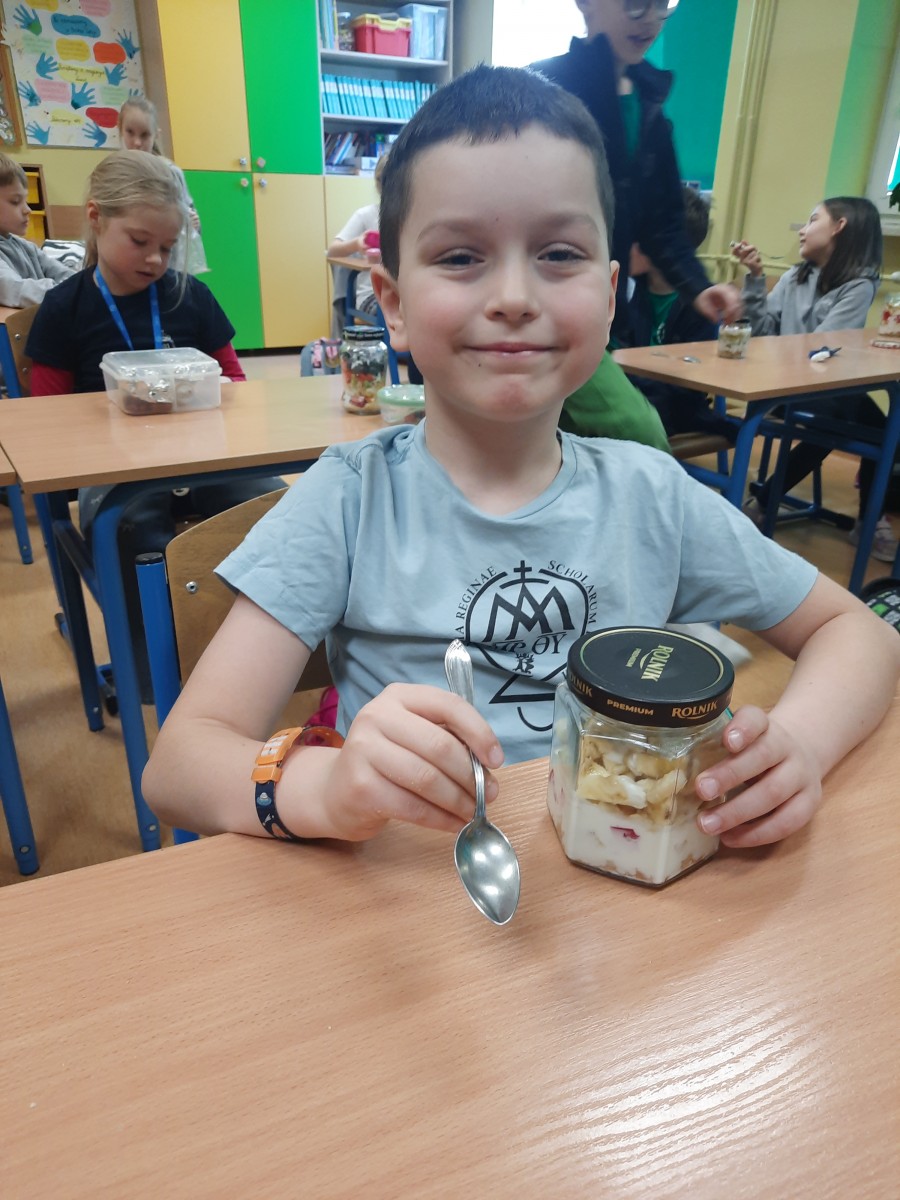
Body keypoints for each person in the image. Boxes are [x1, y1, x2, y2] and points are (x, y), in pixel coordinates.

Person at [143, 65, 899, 858]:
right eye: (460, 257)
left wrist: (801, 745)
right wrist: (326, 788)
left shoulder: (652, 495)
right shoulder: (349, 499)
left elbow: (861, 634)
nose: (513, 295)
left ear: (609, 295)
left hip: (621, 879)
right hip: (408, 892)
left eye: (560, 253)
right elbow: (182, 764)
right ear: (393, 304)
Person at [26, 150, 282, 697]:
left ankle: (260, 661)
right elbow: (43, 419)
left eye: (168, 246)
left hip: (206, 461)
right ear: (96, 218)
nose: (156, 260)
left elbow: (235, 384)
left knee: (277, 512)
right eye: (140, 241)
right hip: (117, 473)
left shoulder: (191, 297)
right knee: (136, 536)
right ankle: (154, 681)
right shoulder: (65, 308)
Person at [532, 0, 741, 346]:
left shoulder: (647, 103)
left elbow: (665, 221)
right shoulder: (542, 88)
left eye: (661, 5)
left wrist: (698, 286)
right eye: (635, 4)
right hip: (541, 306)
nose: (650, 19)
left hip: (602, 314)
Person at [736, 198, 893, 560]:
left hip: (823, 387)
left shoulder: (859, 284)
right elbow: (761, 334)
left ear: (839, 226)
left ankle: (866, 518)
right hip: (787, 385)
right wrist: (756, 278)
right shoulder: (795, 276)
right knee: (852, 425)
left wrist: (785, 348)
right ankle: (867, 518)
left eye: (812, 221)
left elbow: (823, 349)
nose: (802, 231)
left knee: (879, 427)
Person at [627, 184, 729, 437]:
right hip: (630, 394)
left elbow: (689, 384)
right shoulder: (628, 289)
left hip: (672, 408)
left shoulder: (702, 303)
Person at [118, 96, 207, 275]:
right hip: (127, 264)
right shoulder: (116, 172)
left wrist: (193, 225)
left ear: (156, 135)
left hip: (166, 265)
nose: (137, 142)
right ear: (120, 130)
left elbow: (189, 220)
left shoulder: (170, 173)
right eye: (130, 132)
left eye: (145, 135)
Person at [0, 152, 74, 308]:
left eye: (26, 201)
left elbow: (67, 275)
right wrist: (70, 291)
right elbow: (14, 289)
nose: (28, 210)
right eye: (15, 201)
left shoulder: (26, 247)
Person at [326, 152, 389, 316]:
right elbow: (332, 251)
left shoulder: (413, 217)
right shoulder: (366, 215)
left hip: (406, 292)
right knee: (404, 311)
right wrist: (356, 244)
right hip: (371, 295)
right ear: (379, 184)